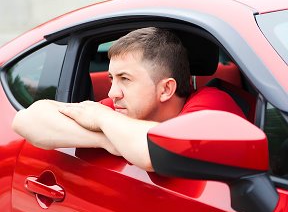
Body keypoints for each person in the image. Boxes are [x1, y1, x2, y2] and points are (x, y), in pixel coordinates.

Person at [12, 27, 245, 172]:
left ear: (166, 89)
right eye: (112, 78)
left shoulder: (214, 104)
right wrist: (108, 140)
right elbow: (25, 120)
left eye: (125, 79)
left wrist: (102, 118)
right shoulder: (119, 113)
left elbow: (154, 153)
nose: (113, 93)